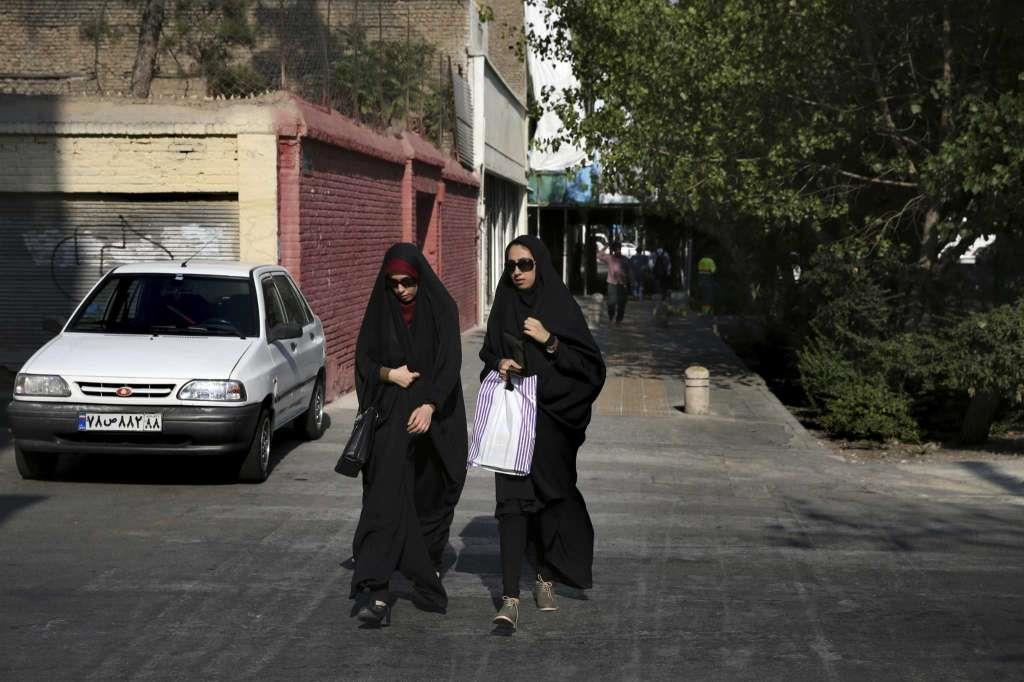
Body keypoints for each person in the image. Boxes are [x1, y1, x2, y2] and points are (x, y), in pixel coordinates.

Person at [480, 235, 606, 631]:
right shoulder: (503, 304)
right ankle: (510, 597)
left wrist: (549, 341)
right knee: (513, 508)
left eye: (525, 264)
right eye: (511, 264)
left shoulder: (560, 306)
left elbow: (590, 369)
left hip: (552, 425)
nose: (517, 272)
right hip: (515, 420)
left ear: (541, 265)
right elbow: (486, 355)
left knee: (550, 502)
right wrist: (498, 363)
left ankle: (544, 577)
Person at [350, 243, 468, 626]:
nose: (400, 289)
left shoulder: (442, 308)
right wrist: (391, 375)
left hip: (435, 418)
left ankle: (425, 568)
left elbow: (450, 364)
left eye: (408, 282)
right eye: (393, 282)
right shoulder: (380, 310)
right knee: (385, 498)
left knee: (431, 496)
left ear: (420, 278)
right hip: (389, 418)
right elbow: (364, 360)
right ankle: (377, 591)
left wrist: (430, 405)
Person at [597, 241, 630, 323]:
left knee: (622, 303)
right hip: (612, 283)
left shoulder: (625, 259)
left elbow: (629, 272)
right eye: (616, 249)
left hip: (622, 284)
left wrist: (628, 282)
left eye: (619, 248)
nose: (618, 250)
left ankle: (619, 319)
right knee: (611, 302)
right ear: (614, 250)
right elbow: (598, 255)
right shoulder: (610, 258)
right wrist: (606, 246)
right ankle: (611, 317)